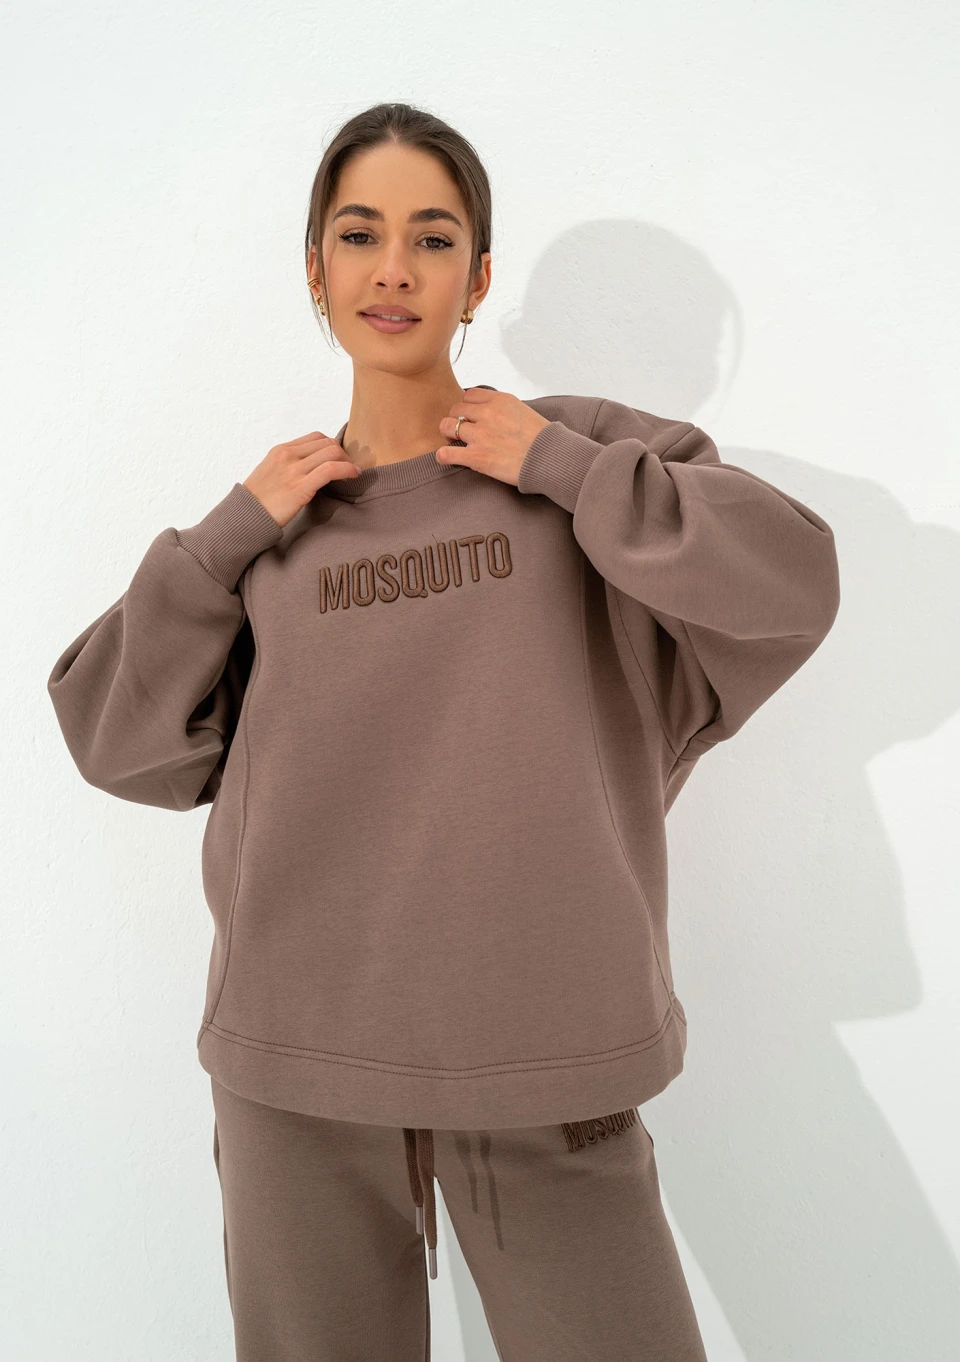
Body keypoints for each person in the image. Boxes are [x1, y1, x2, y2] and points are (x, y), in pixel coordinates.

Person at [46, 101, 841, 1362]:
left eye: (432, 238)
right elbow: (110, 733)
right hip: (296, 1066)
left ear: (477, 278)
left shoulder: (584, 459)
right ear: (316, 270)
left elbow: (792, 579)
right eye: (360, 235)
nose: (394, 269)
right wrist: (228, 532)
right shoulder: (273, 522)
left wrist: (564, 467)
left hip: (550, 1056)